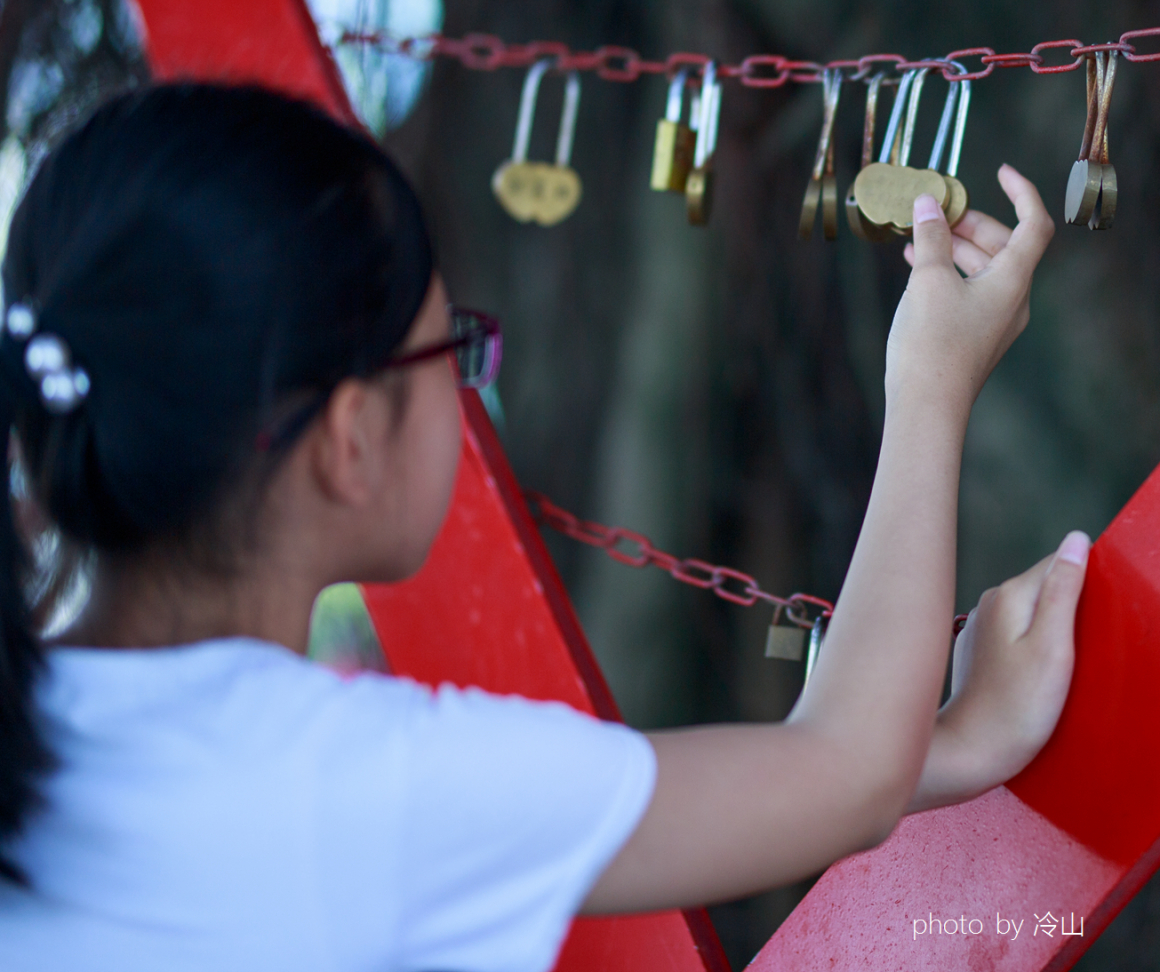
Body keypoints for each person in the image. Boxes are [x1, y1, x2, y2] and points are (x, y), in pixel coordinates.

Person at [0, 82, 1084, 968]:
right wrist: (930, 382)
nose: (470, 383)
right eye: (452, 350)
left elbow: (843, 771)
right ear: (348, 439)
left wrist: (921, 753)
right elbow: (845, 772)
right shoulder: (371, 785)